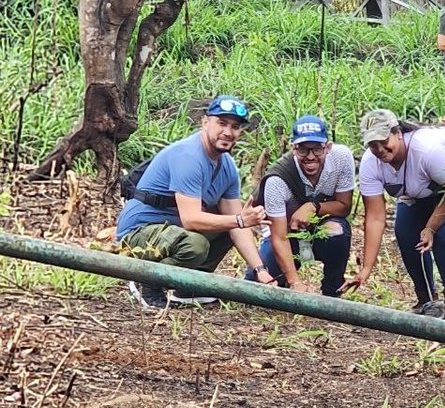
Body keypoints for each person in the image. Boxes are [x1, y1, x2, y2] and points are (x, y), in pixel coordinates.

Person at [116, 95, 275, 311]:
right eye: (221, 123)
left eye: (235, 127)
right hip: (139, 233)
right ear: (205, 122)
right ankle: (147, 281)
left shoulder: (227, 166)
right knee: (194, 246)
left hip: (171, 232)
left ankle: (189, 287)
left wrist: (260, 270)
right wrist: (238, 219)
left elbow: (239, 227)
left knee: (229, 227)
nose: (228, 132)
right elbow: (191, 220)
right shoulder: (189, 157)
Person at [342, 109, 445, 320]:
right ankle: (426, 299)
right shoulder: (370, 163)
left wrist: (430, 227)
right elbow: (375, 217)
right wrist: (366, 270)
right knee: (405, 232)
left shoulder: (426, 151)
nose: (379, 149)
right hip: (422, 188)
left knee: (444, 234)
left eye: (383, 141)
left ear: (397, 133)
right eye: (372, 144)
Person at [247, 115, 355, 296]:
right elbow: (279, 237)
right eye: (303, 150)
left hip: (322, 227)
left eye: (317, 150)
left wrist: (314, 207)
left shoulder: (341, 158)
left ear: (327, 147)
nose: (311, 157)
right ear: (293, 148)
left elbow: (344, 206)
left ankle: (332, 291)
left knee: (338, 232)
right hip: (287, 234)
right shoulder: (276, 180)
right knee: (255, 286)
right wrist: (294, 281)